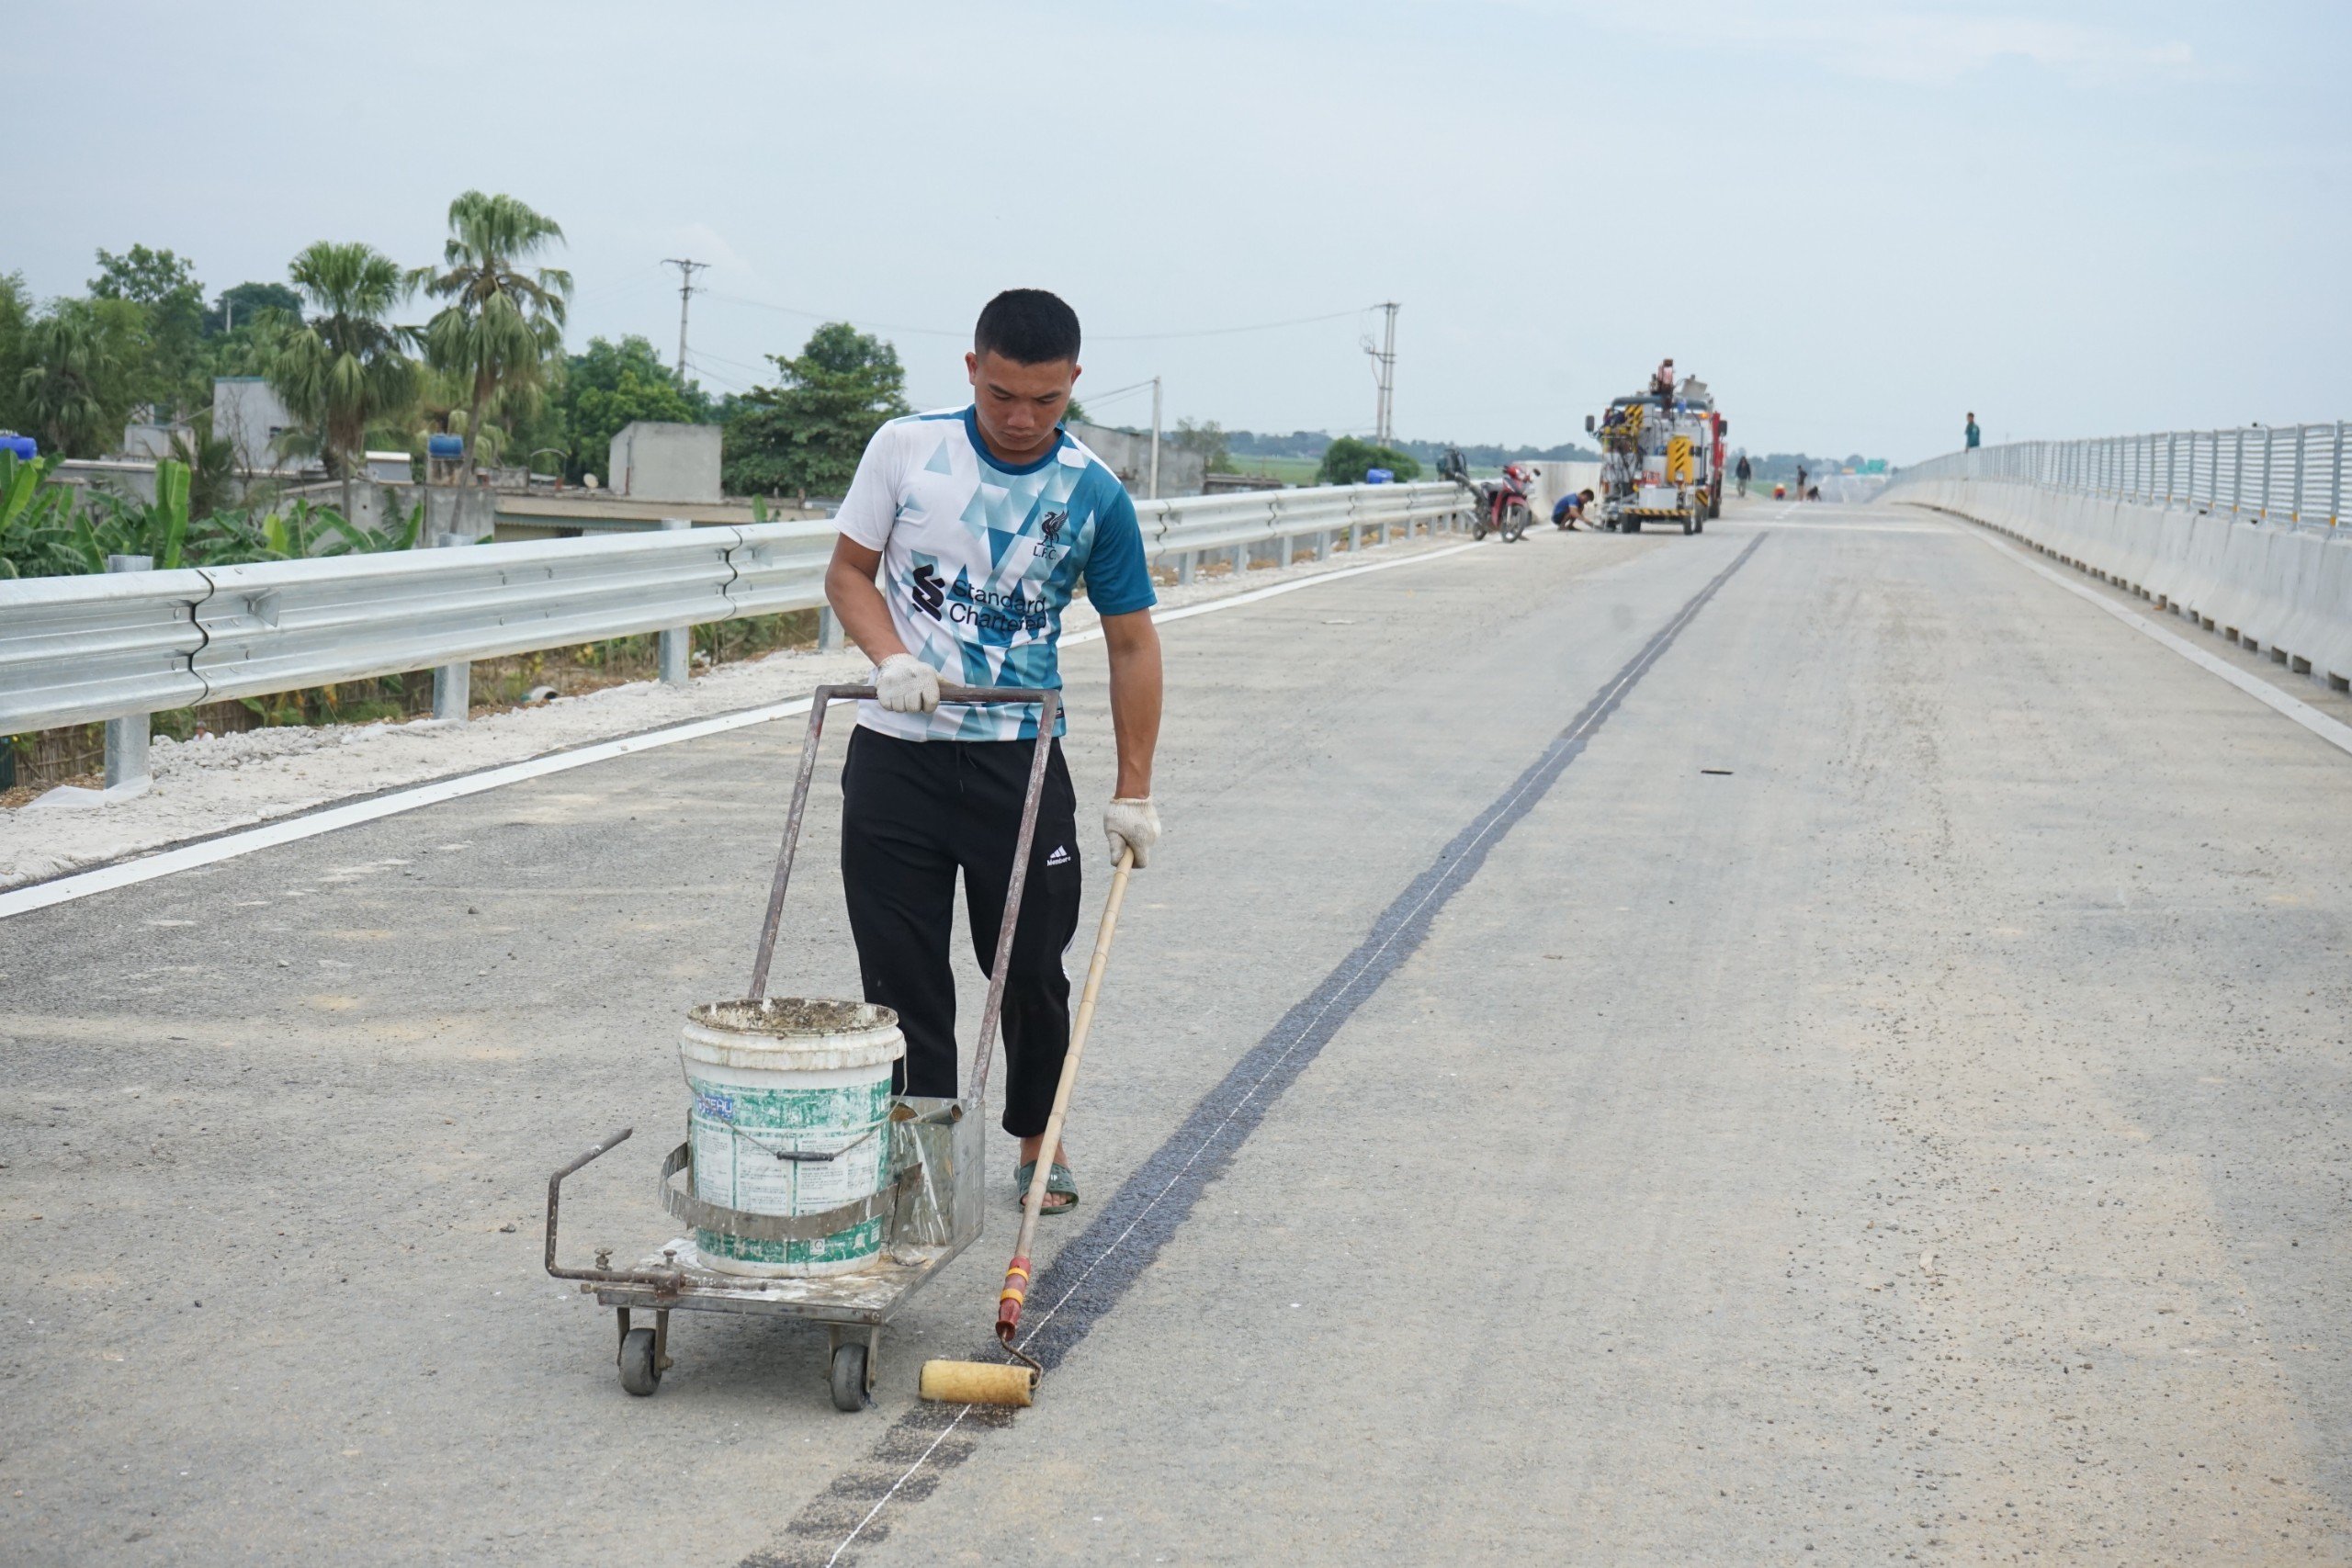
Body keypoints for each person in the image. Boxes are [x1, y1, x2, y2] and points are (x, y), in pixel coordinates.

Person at [824, 288, 1164, 1218]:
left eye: (1046, 400)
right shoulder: (906, 448)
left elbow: (1132, 642)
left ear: (1074, 383)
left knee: (1029, 967)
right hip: (898, 752)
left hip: (1019, 758)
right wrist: (890, 658)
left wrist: (1133, 790)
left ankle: (1037, 1142)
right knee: (899, 970)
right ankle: (922, 1149)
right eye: (1002, 395)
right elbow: (849, 573)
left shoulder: (1093, 493)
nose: (1021, 419)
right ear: (972, 368)